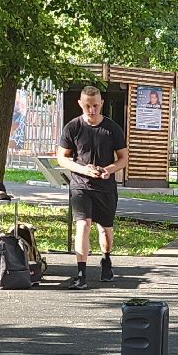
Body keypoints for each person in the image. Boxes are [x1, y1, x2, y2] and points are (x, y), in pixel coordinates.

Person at [55, 85, 127, 289]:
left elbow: (123, 159)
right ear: (80, 104)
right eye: (87, 106)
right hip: (80, 185)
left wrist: (109, 170)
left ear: (101, 103)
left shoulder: (112, 129)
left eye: (95, 105)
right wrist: (82, 169)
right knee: (83, 225)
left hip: (105, 187)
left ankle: (106, 259)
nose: (92, 110)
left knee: (105, 230)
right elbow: (62, 158)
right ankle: (81, 273)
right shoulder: (72, 127)